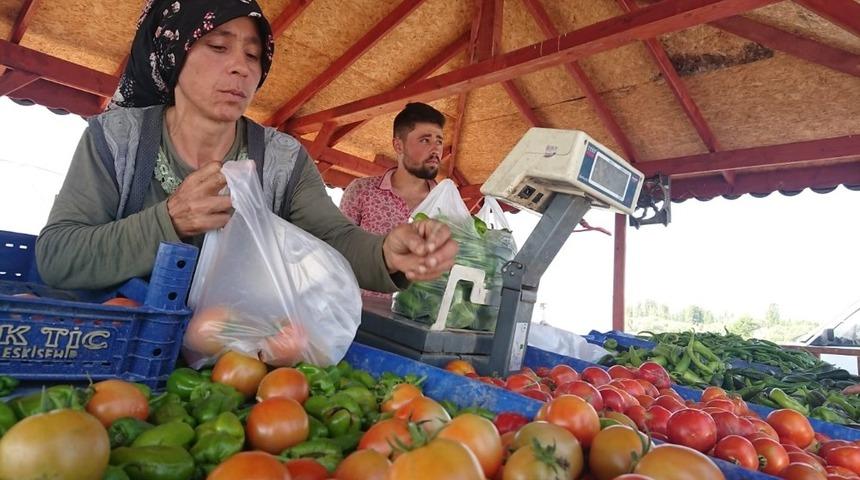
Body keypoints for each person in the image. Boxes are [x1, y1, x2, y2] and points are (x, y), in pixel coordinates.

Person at [35, 0, 457, 296]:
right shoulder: (116, 140)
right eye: (218, 47)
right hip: (112, 351)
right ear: (174, 53)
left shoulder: (283, 161)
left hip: (238, 365)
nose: (240, 66)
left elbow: (336, 238)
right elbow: (57, 256)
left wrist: (386, 253)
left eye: (253, 55)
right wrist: (170, 220)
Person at [340, 102, 444, 235]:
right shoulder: (362, 191)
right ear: (398, 146)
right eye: (425, 140)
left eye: (439, 141)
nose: (436, 149)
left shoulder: (446, 202)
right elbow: (338, 242)